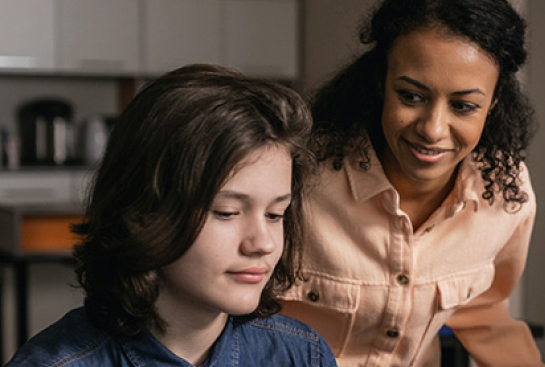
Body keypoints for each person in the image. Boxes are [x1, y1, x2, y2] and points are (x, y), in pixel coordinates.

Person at [5, 64, 337, 367]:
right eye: (227, 212)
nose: (263, 243)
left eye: (276, 214)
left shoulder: (302, 355)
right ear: (140, 214)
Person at [277, 0, 545, 366]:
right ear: (381, 82)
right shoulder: (298, 175)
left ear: (494, 102)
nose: (433, 130)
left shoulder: (504, 191)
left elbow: (485, 312)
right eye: (411, 96)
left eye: (464, 106)